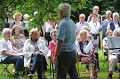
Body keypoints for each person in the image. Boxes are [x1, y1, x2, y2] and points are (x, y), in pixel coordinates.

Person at [53, 3, 78, 79]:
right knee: (74, 75)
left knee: (60, 75)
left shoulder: (63, 24)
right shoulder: (71, 22)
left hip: (64, 53)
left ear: (61, 12)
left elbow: (60, 41)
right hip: (72, 52)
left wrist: (56, 55)